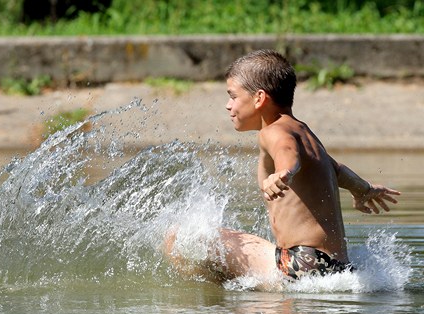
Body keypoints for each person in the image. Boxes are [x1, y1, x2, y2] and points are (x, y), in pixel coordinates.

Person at [164, 49, 401, 282]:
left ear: (259, 98)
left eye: (233, 96)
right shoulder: (303, 130)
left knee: (179, 237)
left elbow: (287, 152)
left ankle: (214, 303)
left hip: (301, 264)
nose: (228, 105)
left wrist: (282, 173)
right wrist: (364, 189)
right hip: (335, 266)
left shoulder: (273, 132)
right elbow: (337, 170)